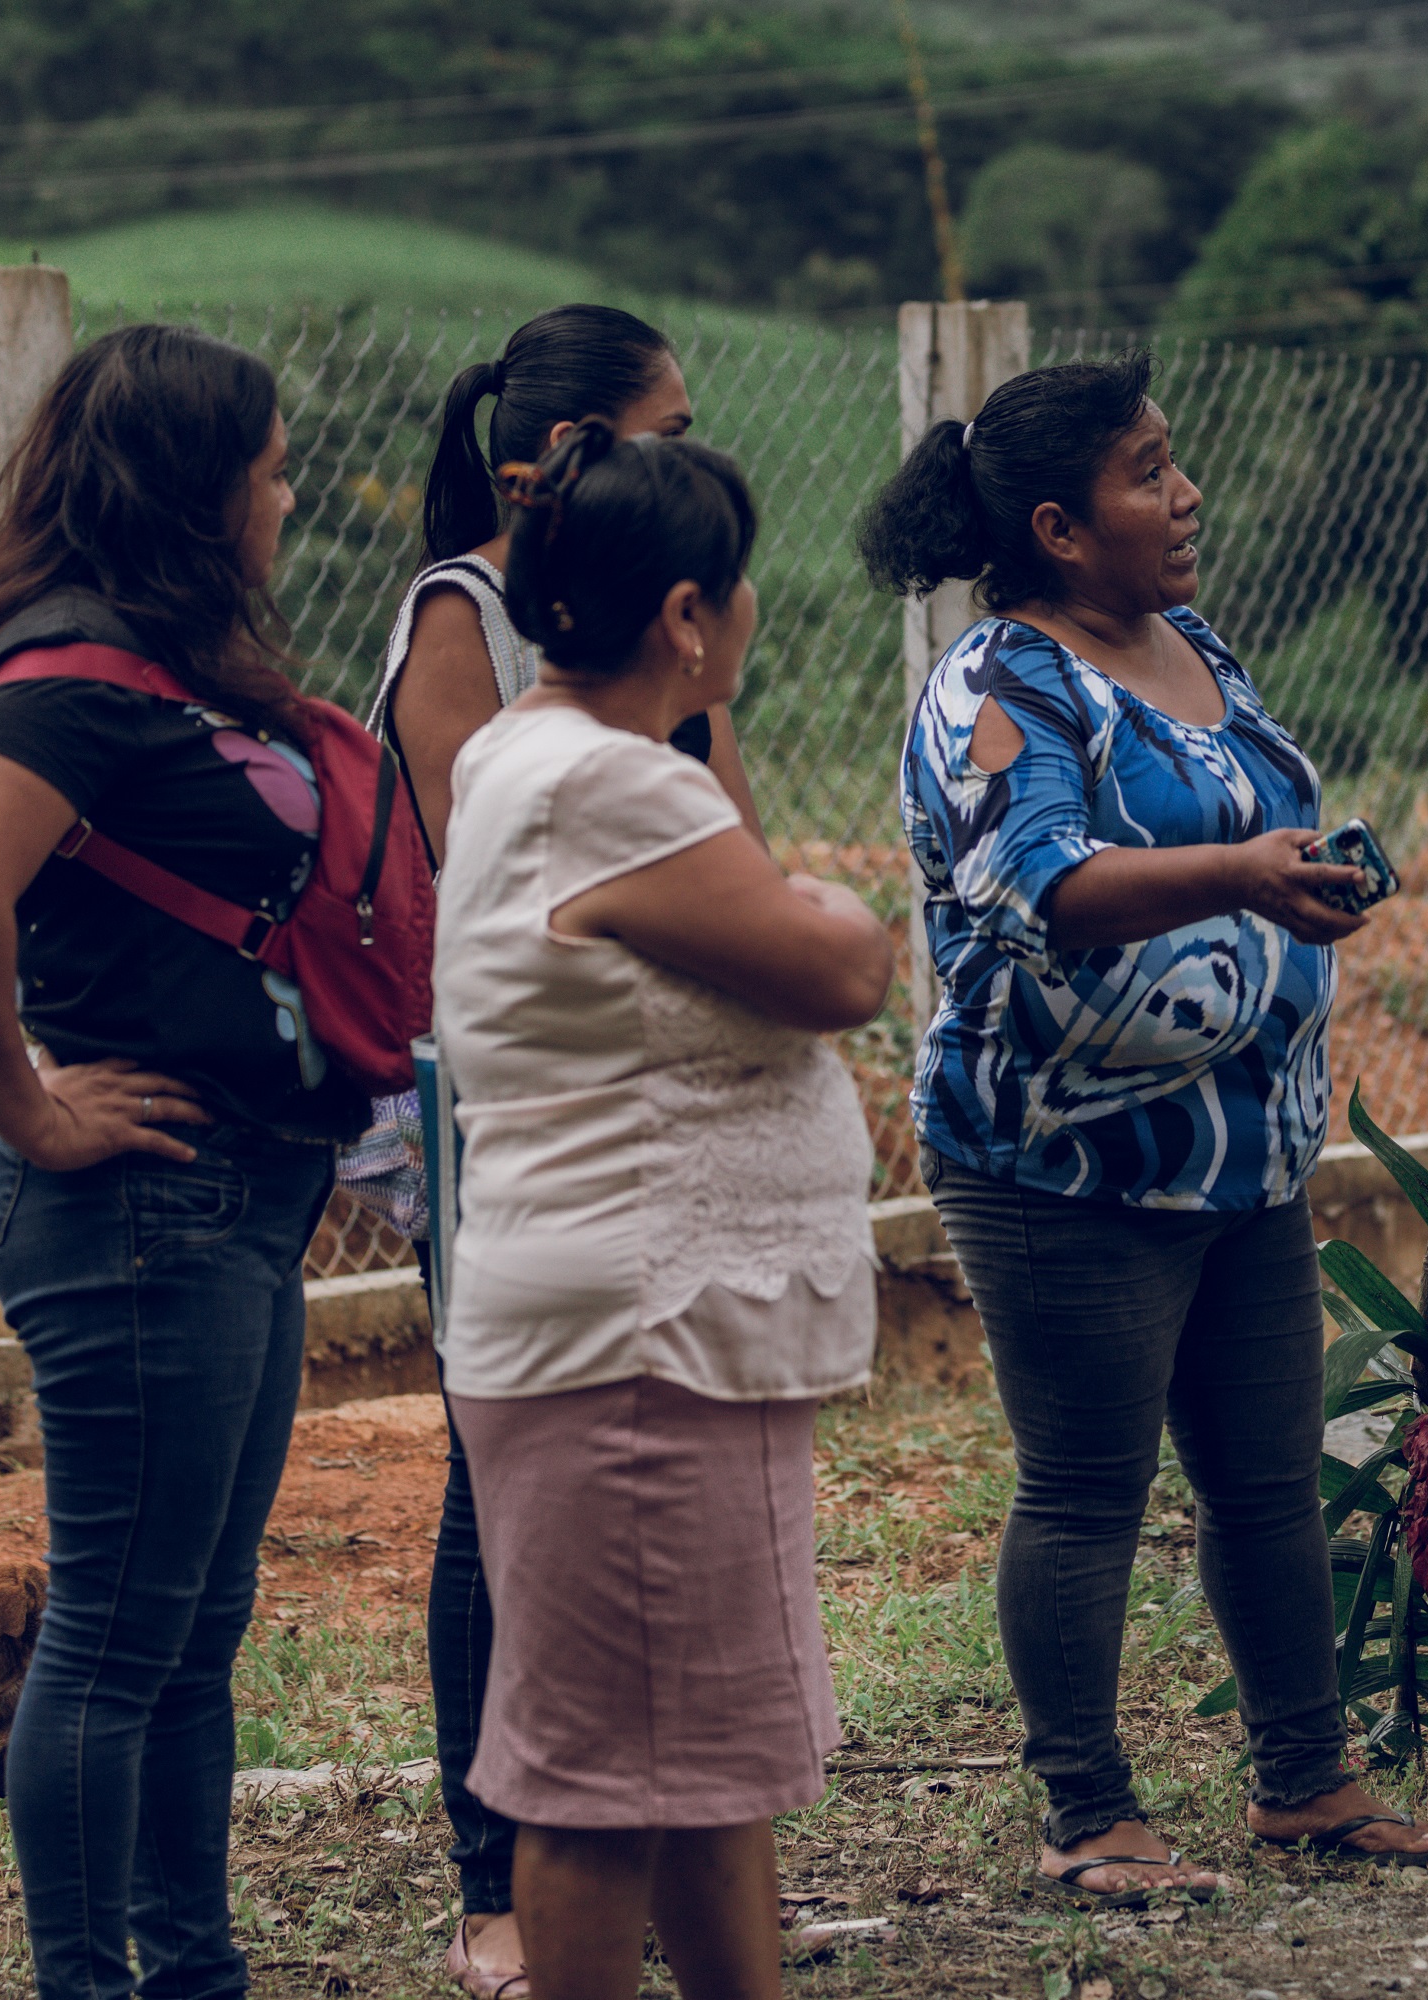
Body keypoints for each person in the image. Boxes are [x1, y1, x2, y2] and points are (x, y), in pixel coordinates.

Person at [860, 352, 1428, 1904]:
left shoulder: (1187, 641)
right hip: (1061, 1162)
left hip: (1241, 1154)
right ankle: (1085, 1811)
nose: (1185, 495)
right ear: (1059, 525)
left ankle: (1307, 1780)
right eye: (1148, 472)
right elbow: (1039, 881)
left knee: (1264, 1474)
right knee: (1086, 1485)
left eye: (1176, 462)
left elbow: (1239, 818)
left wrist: (1302, 878)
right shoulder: (1002, 686)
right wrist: (1249, 880)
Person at [0, 325, 356, 1998]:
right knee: (111, 1639)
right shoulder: (71, 668)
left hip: (231, 1199)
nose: (288, 497)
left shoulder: (157, 663)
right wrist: (26, 1106)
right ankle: (105, 1982)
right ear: (200, 485)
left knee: (186, 1636)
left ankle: (191, 1971)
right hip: (136, 1211)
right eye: (274, 467)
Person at [433, 421, 893, 2000]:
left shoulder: (529, 753)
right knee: (604, 1781)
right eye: (742, 593)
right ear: (690, 615)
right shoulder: (605, 788)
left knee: (700, 1759)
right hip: (635, 1343)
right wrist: (833, 903)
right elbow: (840, 963)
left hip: (658, 1333)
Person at [349, 303, 765, 1998]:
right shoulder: (466, 615)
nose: (687, 447)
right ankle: (491, 1882)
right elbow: (524, 887)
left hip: (660, 1106)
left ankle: (664, 1860)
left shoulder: (667, 626)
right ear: (561, 456)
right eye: (661, 426)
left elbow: (730, 838)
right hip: (514, 1112)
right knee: (495, 1489)